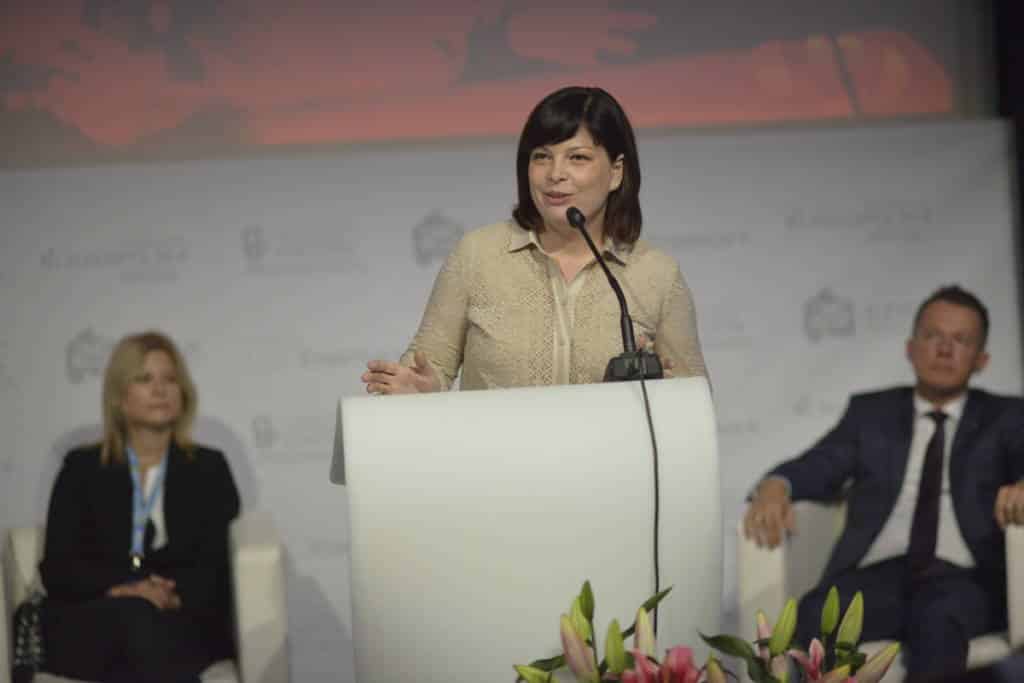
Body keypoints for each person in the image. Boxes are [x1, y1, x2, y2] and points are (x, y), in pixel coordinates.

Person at [742, 285, 1024, 678]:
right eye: (933, 336)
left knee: (938, 618)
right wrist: (776, 485)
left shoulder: (1006, 417)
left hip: (968, 579)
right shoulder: (871, 413)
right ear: (910, 348)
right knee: (815, 613)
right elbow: (819, 465)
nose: (945, 349)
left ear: (982, 359)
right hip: (881, 575)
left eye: (961, 340)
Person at [361, 85, 707, 394]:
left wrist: (664, 393)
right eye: (541, 156)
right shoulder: (478, 254)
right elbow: (430, 364)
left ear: (616, 172)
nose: (555, 174)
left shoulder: (656, 274)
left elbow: (693, 400)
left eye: (578, 158)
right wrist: (420, 387)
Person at [37, 331, 240, 683]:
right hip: (98, 616)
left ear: (183, 393)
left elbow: (216, 564)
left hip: (177, 618)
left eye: (170, 379)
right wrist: (125, 591)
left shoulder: (209, 469)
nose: (160, 390)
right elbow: (59, 568)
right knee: (132, 619)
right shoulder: (81, 469)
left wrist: (169, 597)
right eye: (145, 379)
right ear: (119, 396)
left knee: (145, 632)